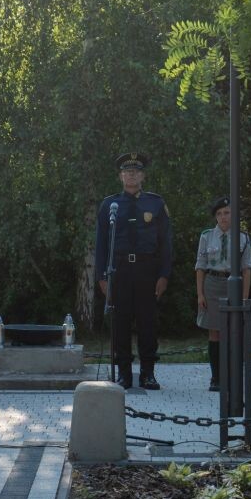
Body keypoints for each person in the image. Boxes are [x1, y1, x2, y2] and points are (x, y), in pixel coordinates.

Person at [94, 152, 173, 390]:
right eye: (127, 171)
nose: (131, 175)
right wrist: (101, 276)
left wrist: (164, 274)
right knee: (120, 321)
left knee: (148, 322)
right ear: (120, 176)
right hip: (119, 270)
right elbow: (101, 243)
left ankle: (147, 373)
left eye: (136, 171)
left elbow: (166, 243)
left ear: (143, 176)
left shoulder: (155, 203)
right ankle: (124, 373)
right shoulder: (110, 205)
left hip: (147, 269)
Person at [196, 196, 251, 391]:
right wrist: (200, 295)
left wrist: (244, 297)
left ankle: (232, 375)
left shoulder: (243, 237)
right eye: (219, 214)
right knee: (215, 332)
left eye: (227, 212)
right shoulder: (206, 236)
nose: (223, 217)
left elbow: (246, 269)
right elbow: (200, 267)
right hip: (212, 284)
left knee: (234, 330)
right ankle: (216, 378)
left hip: (233, 284)